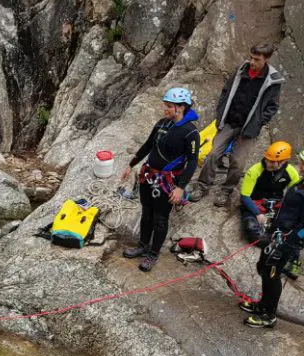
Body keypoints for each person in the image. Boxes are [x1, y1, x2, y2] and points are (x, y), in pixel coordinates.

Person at [120, 87, 201, 272]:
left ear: (180, 108)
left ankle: (153, 254)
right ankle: (142, 245)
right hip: (150, 176)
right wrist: (130, 164)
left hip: (168, 182)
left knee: (160, 218)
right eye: (166, 105)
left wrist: (180, 188)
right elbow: (148, 145)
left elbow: (192, 161)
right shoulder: (161, 124)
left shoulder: (190, 133)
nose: (165, 109)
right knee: (147, 213)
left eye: (169, 106)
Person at [193, 43, 284, 206]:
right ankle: (202, 185)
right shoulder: (240, 71)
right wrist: (221, 114)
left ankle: (226, 190)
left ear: (266, 59)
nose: (252, 62)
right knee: (213, 154)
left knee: (237, 163)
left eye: (256, 59)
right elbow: (225, 92)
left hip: (248, 129)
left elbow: (273, 106)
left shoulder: (272, 81)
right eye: (251, 57)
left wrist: (259, 122)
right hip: (229, 122)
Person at [242, 178, 304, 328]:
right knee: (263, 267)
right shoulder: (300, 183)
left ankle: (269, 314)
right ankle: (263, 305)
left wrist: (285, 246)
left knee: (272, 273)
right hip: (276, 234)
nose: (301, 165)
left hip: (286, 241)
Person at [237, 141, 300, 242]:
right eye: (267, 160)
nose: (267, 163)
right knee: (250, 227)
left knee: (290, 226)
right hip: (255, 203)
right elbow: (244, 196)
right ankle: (270, 242)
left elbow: (294, 195)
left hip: (276, 204)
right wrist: (257, 214)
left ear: (283, 161)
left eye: (272, 162)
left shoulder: (291, 172)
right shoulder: (254, 170)